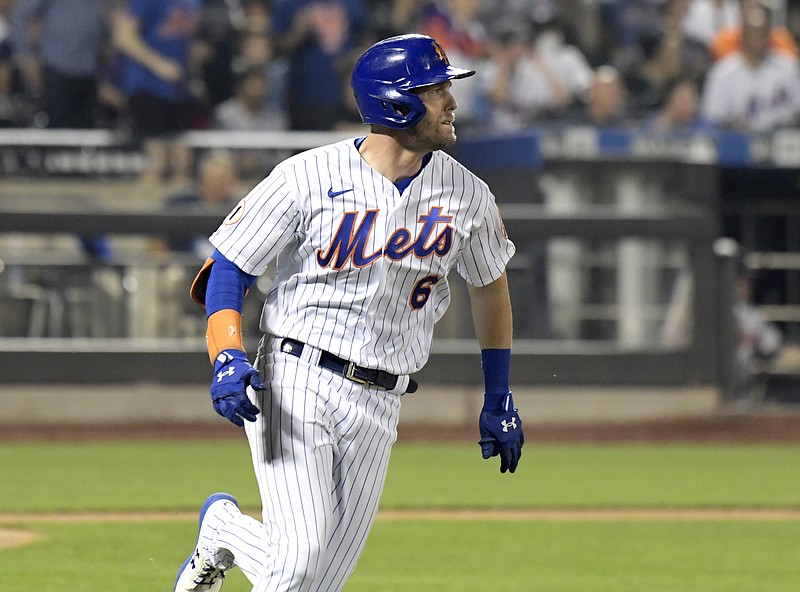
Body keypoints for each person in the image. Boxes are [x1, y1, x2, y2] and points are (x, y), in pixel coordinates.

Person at [174, 33, 524, 592]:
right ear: (395, 100)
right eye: (436, 90)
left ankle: (224, 528)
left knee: (313, 586)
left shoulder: (469, 195)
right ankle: (225, 528)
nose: (452, 102)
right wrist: (227, 356)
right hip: (295, 376)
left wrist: (499, 393)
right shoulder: (306, 176)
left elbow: (489, 287)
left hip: (382, 401)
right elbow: (230, 268)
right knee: (293, 573)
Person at [700, 1, 800, 132]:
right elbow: (712, 119)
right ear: (743, 36)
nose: (758, 39)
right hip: (737, 144)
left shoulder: (789, 69)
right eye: (753, 34)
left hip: (782, 142)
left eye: (762, 34)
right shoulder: (722, 73)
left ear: (769, 36)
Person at [10, 0, 108, 128]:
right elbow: (20, 15)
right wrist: (27, 55)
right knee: (58, 131)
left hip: (88, 72)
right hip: (58, 69)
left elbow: (101, 24)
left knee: (87, 132)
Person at [150, 150, 241, 259]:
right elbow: (157, 243)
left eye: (227, 180)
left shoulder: (239, 209)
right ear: (203, 180)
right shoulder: (178, 204)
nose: (224, 185)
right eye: (218, 180)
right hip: (180, 267)